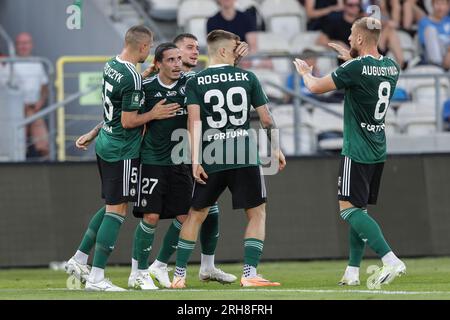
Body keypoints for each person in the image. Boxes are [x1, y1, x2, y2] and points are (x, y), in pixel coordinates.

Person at [64, 25, 180, 291]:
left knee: (110, 205)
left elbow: (113, 110)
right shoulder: (133, 78)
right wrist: (154, 114)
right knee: (117, 211)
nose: (149, 52)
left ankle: (79, 259)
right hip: (122, 150)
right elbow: (128, 121)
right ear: (142, 47)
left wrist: (93, 133)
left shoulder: (111, 65)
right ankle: (96, 277)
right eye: (149, 47)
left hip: (106, 142)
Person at [294, 17, 406, 287]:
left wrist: (305, 72)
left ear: (358, 39)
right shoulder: (392, 67)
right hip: (377, 147)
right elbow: (366, 72)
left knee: (348, 211)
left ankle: (391, 259)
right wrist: (350, 58)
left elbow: (316, 87)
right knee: (360, 210)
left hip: (356, 149)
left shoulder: (356, 67)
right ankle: (352, 271)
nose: (347, 39)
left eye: (351, 36)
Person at [171, 29, 286, 289]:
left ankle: (178, 276)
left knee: (195, 215)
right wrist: (276, 148)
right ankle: (249, 273)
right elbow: (266, 119)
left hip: (211, 155)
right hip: (243, 155)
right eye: (235, 48)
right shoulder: (247, 77)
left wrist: (195, 160)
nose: (239, 52)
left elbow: (194, 121)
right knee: (257, 214)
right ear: (224, 51)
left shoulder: (195, 81)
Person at [146, 33, 248, 288]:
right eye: (188, 48)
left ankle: (206, 265)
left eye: (196, 48)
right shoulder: (172, 81)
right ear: (173, 53)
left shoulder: (194, 79)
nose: (193, 53)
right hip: (170, 157)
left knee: (206, 210)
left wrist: (232, 60)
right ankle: (157, 265)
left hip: (192, 154)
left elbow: (221, 87)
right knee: (186, 213)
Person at [317, 0, 405, 68]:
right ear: (344, 6)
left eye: (357, 5)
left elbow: (381, 23)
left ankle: (401, 65)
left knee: (390, 30)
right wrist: (338, 44)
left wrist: (388, 22)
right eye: (351, 5)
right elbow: (320, 40)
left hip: (371, 52)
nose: (355, 8)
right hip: (353, 57)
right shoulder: (335, 20)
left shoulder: (363, 19)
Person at [14, 32, 50, 159]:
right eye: (20, 43)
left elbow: (44, 88)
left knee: (43, 144)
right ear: (16, 46)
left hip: (34, 109)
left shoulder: (38, 64)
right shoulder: (9, 64)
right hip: (15, 111)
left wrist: (40, 102)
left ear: (31, 45)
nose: (23, 46)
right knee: (17, 143)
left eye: (26, 43)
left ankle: (47, 170)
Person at [418, 0, 450, 69]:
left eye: (443, 4)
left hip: (448, 53)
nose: (440, 7)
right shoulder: (424, 22)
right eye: (437, 3)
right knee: (430, 29)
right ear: (432, 5)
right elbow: (424, 42)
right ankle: (438, 66)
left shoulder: (449, 21)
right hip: (433, 55)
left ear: (448, 6)